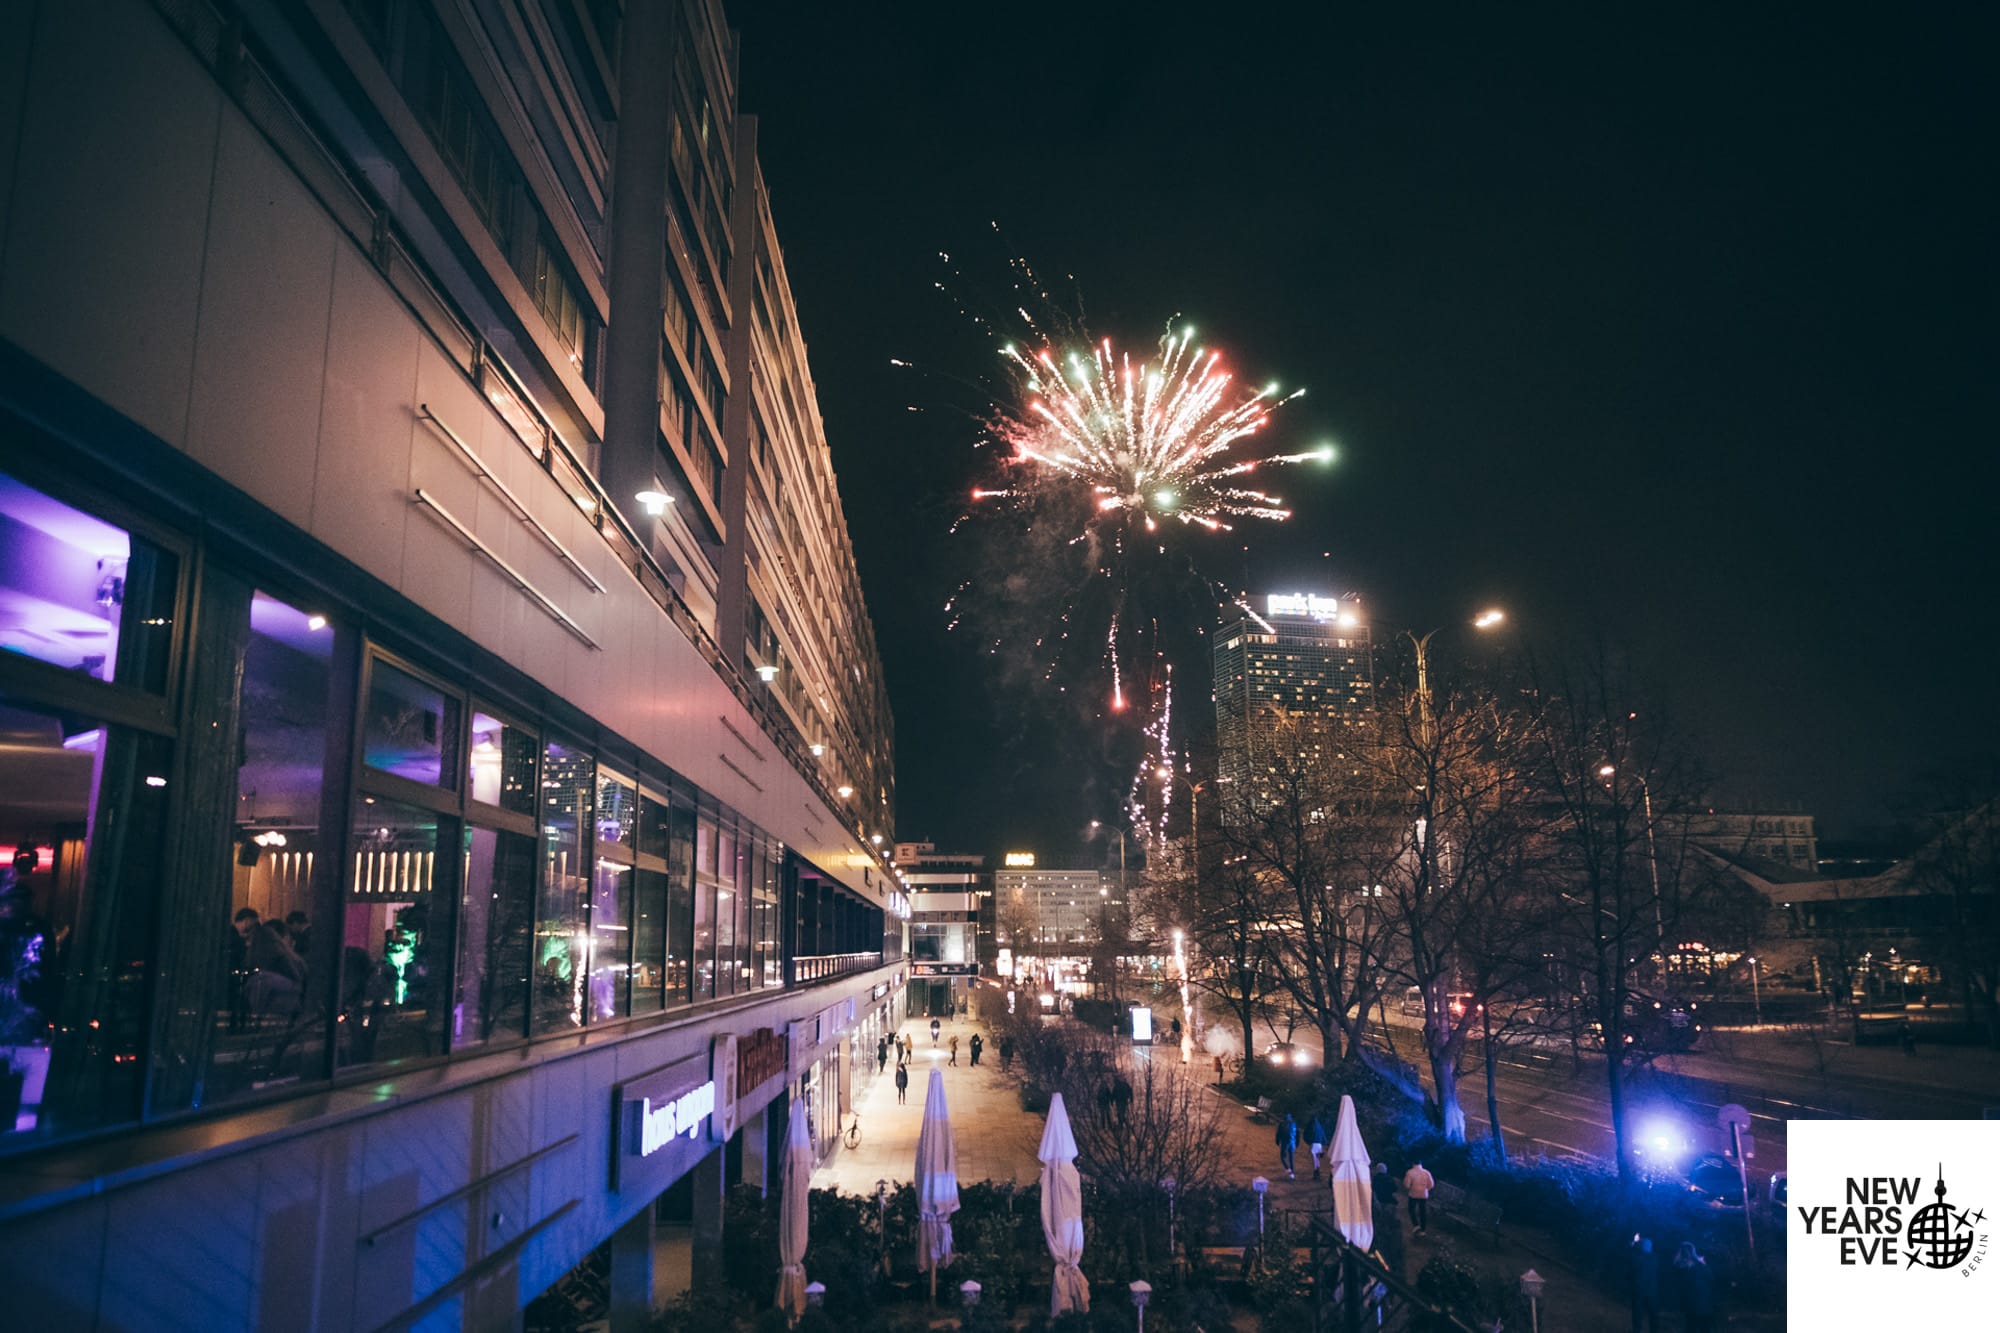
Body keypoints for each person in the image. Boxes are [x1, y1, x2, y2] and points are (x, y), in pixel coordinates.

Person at [1672, 1242, 1715, 1333]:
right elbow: (1711, 1278)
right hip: (1704, 1301)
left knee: (1691, 1327)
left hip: (1691, 1303)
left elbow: (1678, 1285)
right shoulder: (1700, 1265)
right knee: (1704, 1328)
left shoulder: (1680, 1267)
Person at [1628, 1234, 1660, 1333]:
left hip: (1639, 1289)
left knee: (1638, 1311)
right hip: (1651, 1290)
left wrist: (1633, 1247)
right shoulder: (1654, 1258)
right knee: (1652, 1313)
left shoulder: (1638, 1257)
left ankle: (1637, 1330)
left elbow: (1632, 1266)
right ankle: (1653, 1331)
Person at [1402, 1161, 1435, 1233]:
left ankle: (1416, 1225)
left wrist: (1411, 1187)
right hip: (1423, 1194)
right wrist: (1426, 1189)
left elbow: (1407, 1185)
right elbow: (1431, 1185)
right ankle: (1423, 1229)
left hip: (1413, 1194)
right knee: (1422, 1211)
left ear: (1413, 1164)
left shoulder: (1410, 1172)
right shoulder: (1426, 1172)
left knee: (1411, 1209)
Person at [1276, 1112, 1299, 1179]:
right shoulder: (1294, 1124)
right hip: (1292, 1143)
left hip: (1285, 1143)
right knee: (1291, 1157)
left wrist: (1277, 1141)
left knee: (1283, 1157)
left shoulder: (1282, 1124)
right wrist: (1296, 1143)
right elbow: (1297, 1135)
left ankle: (1288, 1170)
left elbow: (1279, 1133)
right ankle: (1292, 1173)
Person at [1308, 1115, 1328, 1180]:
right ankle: (1317, 1173)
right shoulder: (1320, 1126)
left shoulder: (1312, 1126)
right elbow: (1323, 1134)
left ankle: (1316, 1173)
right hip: (1320, 1144)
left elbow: (1311, 1134)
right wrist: (1325, 1142)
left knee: (1314, 1159)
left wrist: (1309, 1142)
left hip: (1314, 1143)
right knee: (1317, 1158)